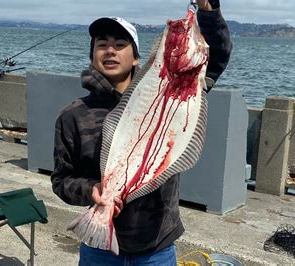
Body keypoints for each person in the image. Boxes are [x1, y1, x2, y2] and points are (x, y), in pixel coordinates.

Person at [51, 0, 232, 265]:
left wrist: (208, 10)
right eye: (102, 45)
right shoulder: (73, 115)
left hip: (156, 246)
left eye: (120, 45)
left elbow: (216, 54)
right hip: (99, 248)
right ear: (93, 56)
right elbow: (61, 180)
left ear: (136, 57)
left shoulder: (174, 94)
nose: (110, 51)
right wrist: (93, 190)